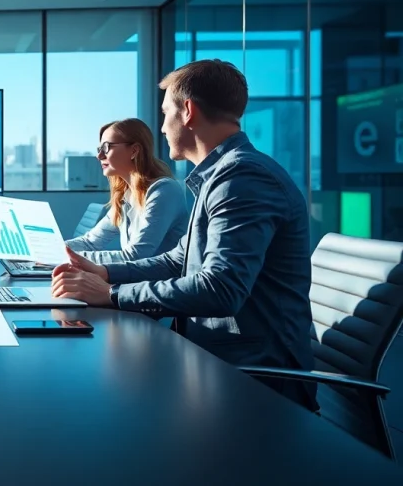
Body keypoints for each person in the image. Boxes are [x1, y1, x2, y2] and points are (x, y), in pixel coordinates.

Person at [51, 59, 317, 411]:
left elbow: (221, 288)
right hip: (216, 355)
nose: (161, 128)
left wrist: (112, 295)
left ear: (188, 111)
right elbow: (180, 259)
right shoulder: (220, 176)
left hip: (256, 380)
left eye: (165, 114)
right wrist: (107, 273)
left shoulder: (242, 178)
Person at [65, 118, 188, 264]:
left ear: (134, 150)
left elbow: (137, 256)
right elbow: (90, 242)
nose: (99, 156)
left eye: (106, 147)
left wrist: (68, 257)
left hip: (160, 284)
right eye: (99, 150)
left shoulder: (164, 191)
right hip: (136, 282)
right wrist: (50, 251)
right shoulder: (126, 196)